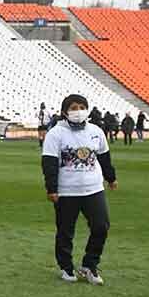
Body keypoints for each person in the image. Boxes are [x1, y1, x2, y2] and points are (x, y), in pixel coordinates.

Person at [41, 94, 116, 285]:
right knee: (66, 231)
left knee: (101, 226)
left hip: (93, 189)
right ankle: (66, 267)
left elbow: (104, 157)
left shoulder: (96, 131)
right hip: (67, 191)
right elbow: (49, 163)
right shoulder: (56, 134)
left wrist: (111, 178)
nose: (78, 111)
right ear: (65, 111)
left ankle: (89, 265)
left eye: (81, 107)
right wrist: (52, 188)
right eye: (73, 108)